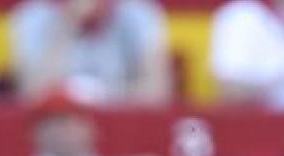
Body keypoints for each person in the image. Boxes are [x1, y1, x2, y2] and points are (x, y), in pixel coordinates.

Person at [10, 0, 172, 105]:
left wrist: (101, 97)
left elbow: (157, 92)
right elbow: (31, 93)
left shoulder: (139, 13)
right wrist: (68, 22)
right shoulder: (34, 15)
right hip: (58, 124)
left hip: (120, 122)